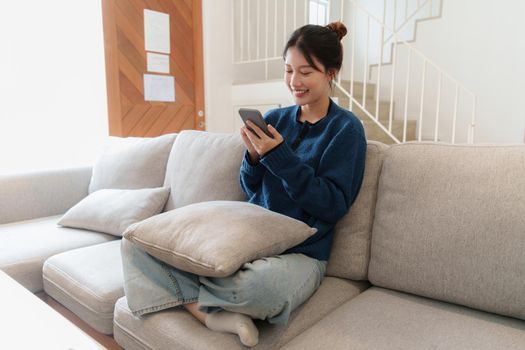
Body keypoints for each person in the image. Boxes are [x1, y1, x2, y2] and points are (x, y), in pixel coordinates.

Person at [121, 21, 366, 348]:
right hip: (252, 239)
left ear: (331, 73)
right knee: (135, 244)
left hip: (302, 253)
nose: (294, 81)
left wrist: (280, 157)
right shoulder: (276, 120)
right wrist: (253, 158)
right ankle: (210, 314)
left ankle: (196, 299)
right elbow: (251, 188)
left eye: (306, 72)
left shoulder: (345, 130)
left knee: (257, 289)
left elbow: (332, 204)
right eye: (288, 70)